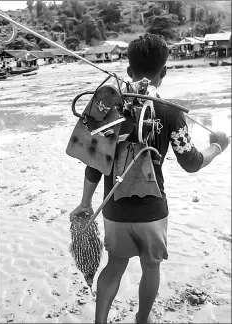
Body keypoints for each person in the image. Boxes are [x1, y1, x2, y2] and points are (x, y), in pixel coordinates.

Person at [70, 33, 230, 324]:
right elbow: (192, 162)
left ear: (129, 71)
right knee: (151, 267)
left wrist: (84, 203)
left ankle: (100, 321)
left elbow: (94, 164)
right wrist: (218, 145)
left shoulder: (110, 107)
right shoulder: (170, 112)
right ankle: (142, 321)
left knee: (114, 266)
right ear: (164, 71)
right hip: (153, 211)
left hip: (114, 209)